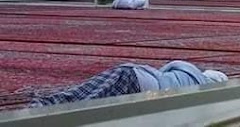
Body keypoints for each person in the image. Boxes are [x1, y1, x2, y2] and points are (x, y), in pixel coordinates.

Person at [31, 61, 228, 107]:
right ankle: (43, 109)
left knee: (83, 95)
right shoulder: (199, 92)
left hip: (133, 72)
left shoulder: (186, 70)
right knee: (85, 104)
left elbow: (164, 70)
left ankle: (44, 105)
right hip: (142, 85)